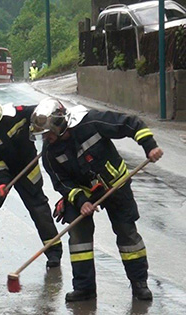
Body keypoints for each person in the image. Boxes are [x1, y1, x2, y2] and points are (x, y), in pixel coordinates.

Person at [30, 98, 164, 302]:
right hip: (83, 193)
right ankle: (84, 288)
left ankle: (139, 284)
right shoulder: (50, 153)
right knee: (78, 238)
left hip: (115, 185)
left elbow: (130, 123)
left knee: (127, 234)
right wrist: (81, 200)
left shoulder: (90, 122)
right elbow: (61, 183)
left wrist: (149, 146)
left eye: (47, 133)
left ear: (59, 125)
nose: (46, 139)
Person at [0, 93, 62, 267]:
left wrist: (57, 117)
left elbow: (43, 114)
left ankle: (54, 253)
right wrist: (2, 181)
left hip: (27, 168)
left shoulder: (19, 114)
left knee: (39, 210)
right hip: (1, 171)